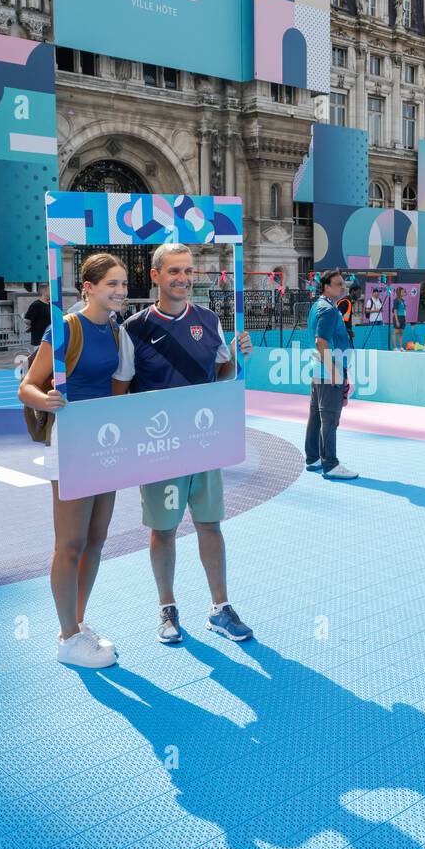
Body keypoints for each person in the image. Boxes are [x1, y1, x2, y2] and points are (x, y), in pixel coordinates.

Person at [112, 242, 254, 646]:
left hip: (204, 443)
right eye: (174, 271)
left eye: (189, 271)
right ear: (155, 276)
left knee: (210, 524)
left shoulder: (210, 320)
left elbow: (223, 374)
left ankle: (220, 609)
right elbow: (120, 392)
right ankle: (167, 608)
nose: (184, 279)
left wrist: (239, 359)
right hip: (159, 449)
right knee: (164, 529)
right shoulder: (133, 329)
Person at [18, 254, 127, 669]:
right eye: (111, 284)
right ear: (88, 287)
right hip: (73, 442)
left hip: (107, 443)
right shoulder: (65, 328)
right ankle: (66, 638)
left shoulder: (115, 329)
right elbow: (27, 386)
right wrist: (45, 398)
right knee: (70, 543)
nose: (119, 290)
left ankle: (78, 625)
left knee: (96, 540)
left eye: (122, 283)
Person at [305, 269, 358, 480]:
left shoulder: (320, 306)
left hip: (318, 370)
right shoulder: (327, 310)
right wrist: (335, 372)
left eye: (343, 284)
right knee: (330, 418)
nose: (343, 287)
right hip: (328, 373)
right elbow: (320, 341)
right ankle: (331, 464)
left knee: (317, 416)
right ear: (326, 286)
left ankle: (314, 459)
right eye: (338, 284)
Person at [24, 284, 51, 349]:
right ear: (44, 292)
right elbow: (27, 319)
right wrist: (30, 326)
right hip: (39, 340)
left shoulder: (50, 305)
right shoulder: (36, 305)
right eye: (49, 290)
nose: (52, 292)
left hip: (49, 339)